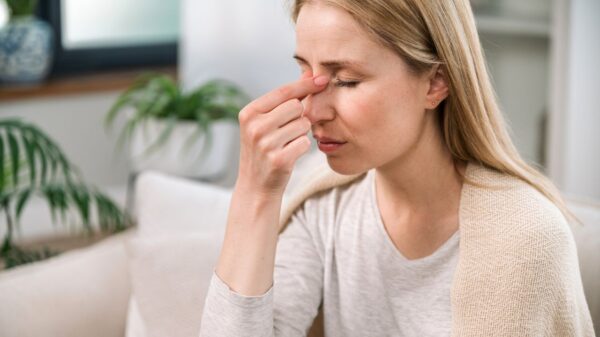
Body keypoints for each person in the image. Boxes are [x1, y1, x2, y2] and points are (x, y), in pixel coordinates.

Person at [199, 0, 595, 336]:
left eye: (347, 80)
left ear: (435, 83)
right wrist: (254, 192)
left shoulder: (526, 238)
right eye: (307, 72)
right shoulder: (323, 204)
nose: (312, 109)